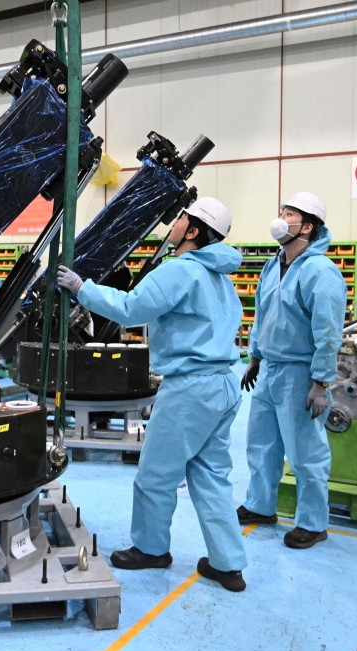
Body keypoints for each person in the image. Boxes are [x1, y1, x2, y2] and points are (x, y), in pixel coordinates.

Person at [56, 197, 248, 592]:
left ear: (193, 231)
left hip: (190, 389)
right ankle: (229, 564)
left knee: (156, 475)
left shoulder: (181, 270)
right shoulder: (221, 277)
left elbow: (130, 308)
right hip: (223, 383)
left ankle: (151, 549)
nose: (173, 223)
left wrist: (81, 288)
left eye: (180, 219)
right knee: (212, 476)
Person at [237, 192, 347, 549]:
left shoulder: (320, 271)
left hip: (301, 375)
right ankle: (260, 505)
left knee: (305, 452)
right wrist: (254, 357)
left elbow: (328, 331)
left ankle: (313, 523)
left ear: (308, 226)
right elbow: (262, 313)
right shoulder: (274, 264)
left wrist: (321, 382)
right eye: (281, 210)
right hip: (269, 370)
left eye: (289, 213)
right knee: (262, 445)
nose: (281, 217)